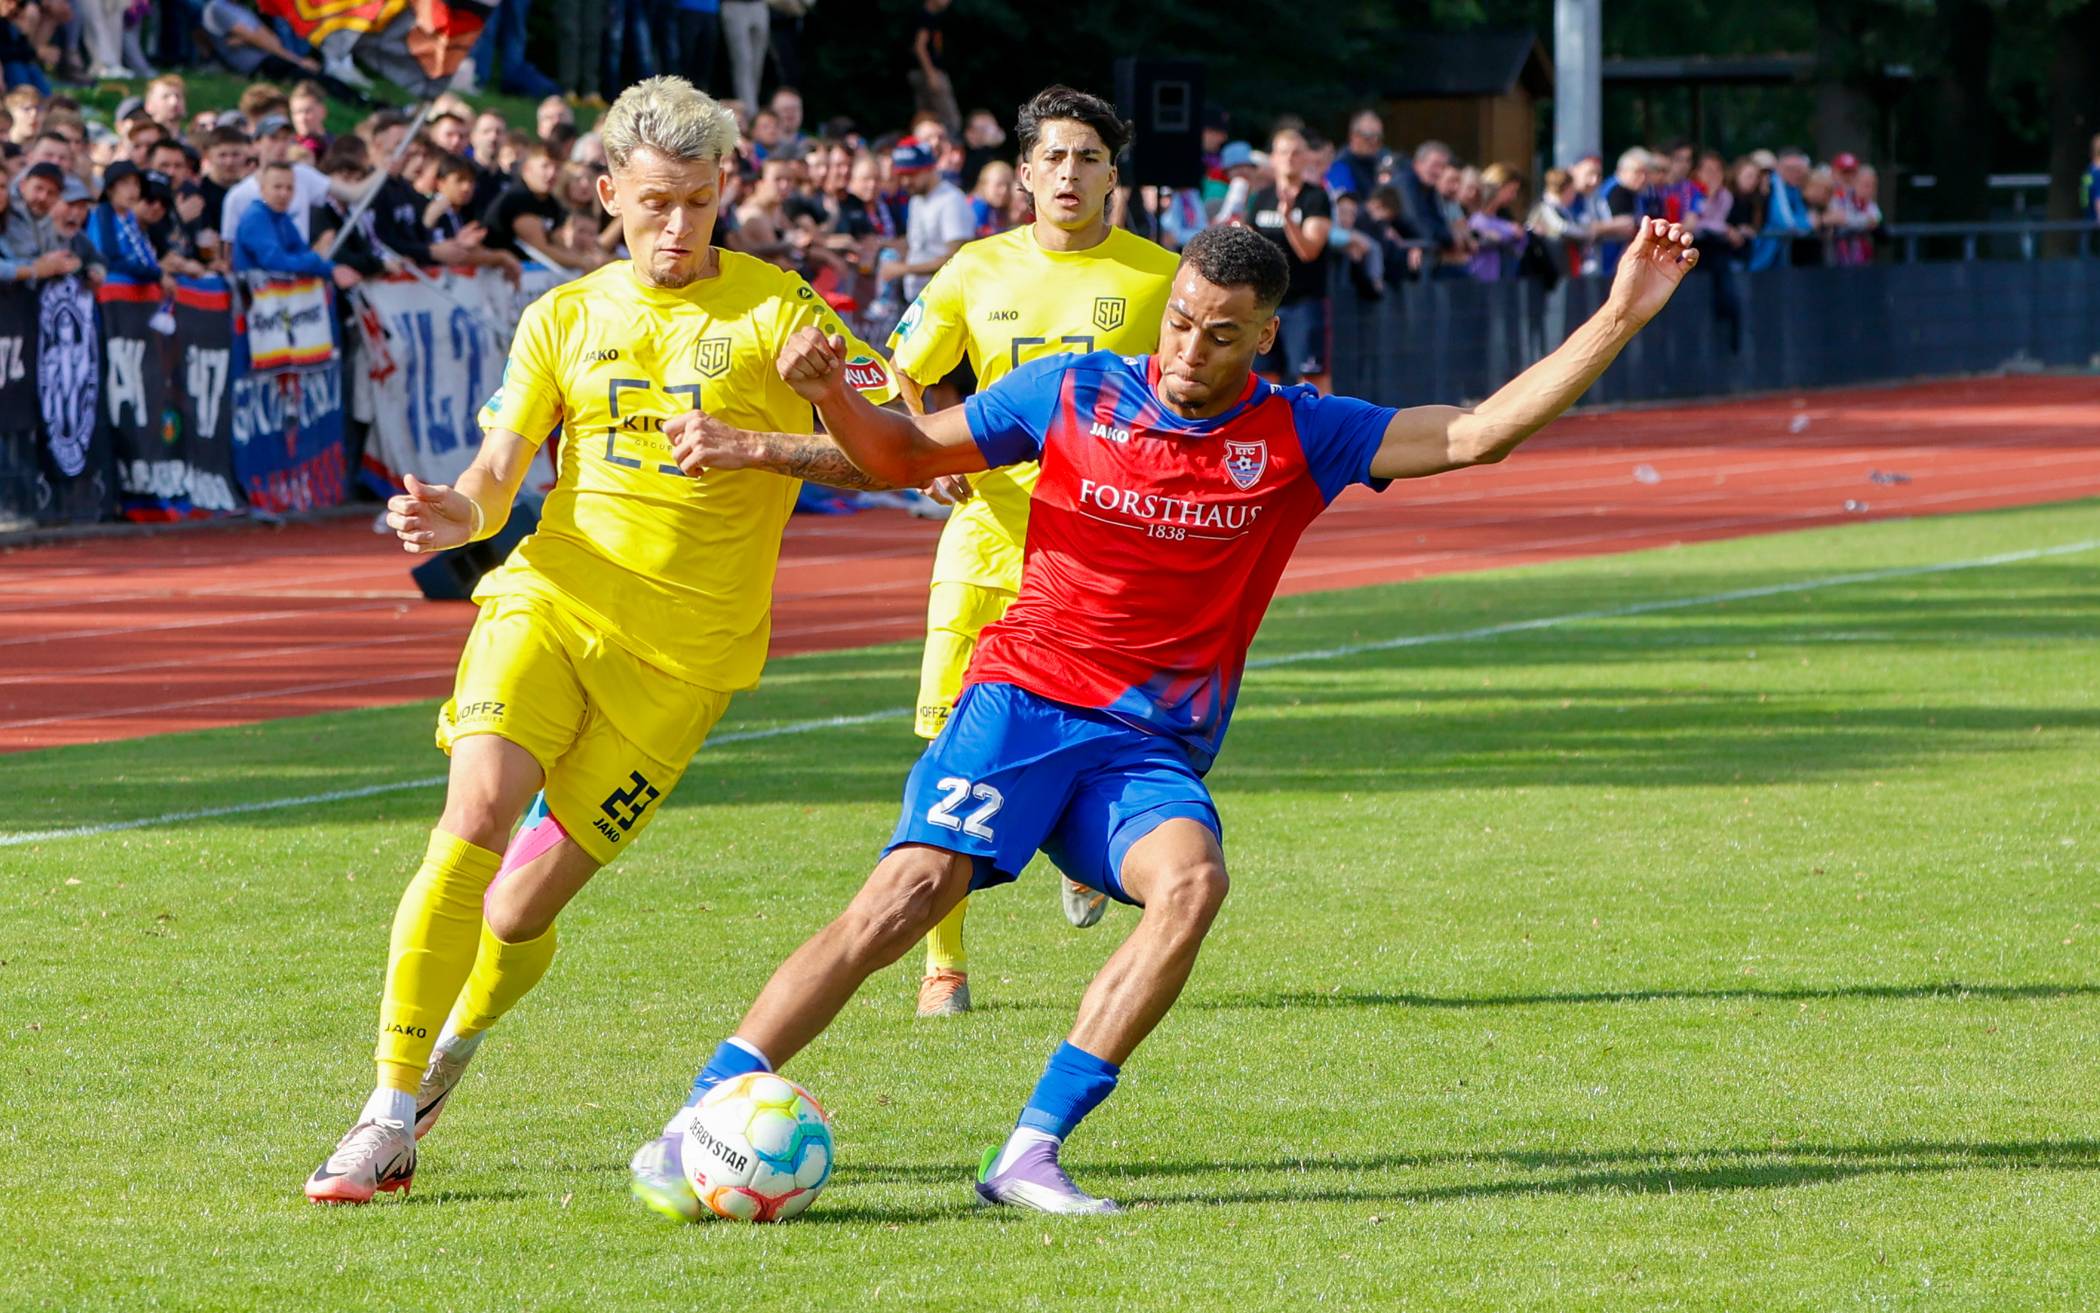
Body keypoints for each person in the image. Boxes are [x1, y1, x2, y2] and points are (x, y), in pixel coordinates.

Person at [649, 214, 1700, 1217]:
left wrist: (1622, 313)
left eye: (1222, 332)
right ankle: (695, 1114)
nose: (1192, 347)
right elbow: (904, 456)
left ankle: (1028, 1151)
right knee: (905, 895)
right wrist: (827, 400)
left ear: (1266, 334)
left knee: (1194, 879)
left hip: (1145, 744)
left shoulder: (1301, 431)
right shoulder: (1071, 389)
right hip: (1022, 700)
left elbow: (1475, 434)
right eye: (1182, 320)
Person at [302, 75, 903, 1207]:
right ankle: (383, 1114)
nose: (678, 225)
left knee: (519, 912)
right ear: (607, 195)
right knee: (472, 817)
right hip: (552, 604)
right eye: (656, 202)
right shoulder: (564, 317)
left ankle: (449, 1055)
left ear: (726, 190)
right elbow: (492, 483)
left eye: (699, 200)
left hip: (686, 665)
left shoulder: (785, 314)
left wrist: (768, 448)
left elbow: (909, 447)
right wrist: (454, 515)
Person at [882, 84, 1181, 1019]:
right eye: (1052, 156)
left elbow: (1197, 391)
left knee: (1105, 738)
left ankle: (1084, 848)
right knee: (941, 738)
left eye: (1087, 157)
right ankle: (944, 966)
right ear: (1022, 175)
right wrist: (924, 448)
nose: (1068, 172)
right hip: (985, 539)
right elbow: (898, 370)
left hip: (1101, 559)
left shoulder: (1161, 276)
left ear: (1112, 177)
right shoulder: (974, 270)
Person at [1247, 127, 1331, 390]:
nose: (1289, 158)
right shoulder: (1261, 198)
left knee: (1311, 380)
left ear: (1307, 158)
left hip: (1304, 302)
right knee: (1263, 379)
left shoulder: (1316, 198)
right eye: (1283, 152)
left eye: (1296, 153)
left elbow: (1310, 251)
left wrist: (1288, 219)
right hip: (1267, 303)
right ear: (1273, 158)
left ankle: (1323, 431)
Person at [233, 159, 360, 289]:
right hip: (257, 301)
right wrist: (316, 257)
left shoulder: (281, 217)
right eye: (277, 187)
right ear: (262, 189)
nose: (284, 193)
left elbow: (300, 251)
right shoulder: (256, 217)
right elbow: (276, 263)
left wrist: (332, 269)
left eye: (290, 188)